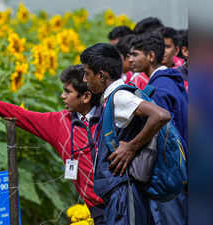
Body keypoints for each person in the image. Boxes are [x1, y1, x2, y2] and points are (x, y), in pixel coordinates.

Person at [0, 65, 106, 224]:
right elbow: (19, 114)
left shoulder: (110, 117)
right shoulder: (60, 124)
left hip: (121, 199)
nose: (62, 96)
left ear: (85, 97)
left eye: (68, 91)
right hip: (96, 209)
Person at [80, 43, 171, 225]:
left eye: (87, 73)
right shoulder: (115, 96)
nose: (84, 80)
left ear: (101, 75)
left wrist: (131, 147)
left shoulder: (120, 97)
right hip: (122, 192)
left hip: (124, 193)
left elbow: (161, 115)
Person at [129, 32, 189, 225]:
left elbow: (165, 139)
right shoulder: (171, 81)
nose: (130, 60)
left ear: (151, 56)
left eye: (135, 54)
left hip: (169, 175)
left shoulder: (159, 90)